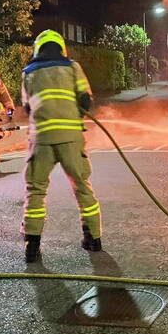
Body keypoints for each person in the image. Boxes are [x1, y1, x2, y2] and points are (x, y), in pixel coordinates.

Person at [21, 29, 100, 262]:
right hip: (71, 138)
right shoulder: (72, 67)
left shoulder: (28, 73)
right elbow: (86, 100)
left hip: (41, 140)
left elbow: (27, 107)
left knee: (36, 190)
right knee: (82, 187)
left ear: (38, 48)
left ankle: (32, 246)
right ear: (61, 47)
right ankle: (93, 239)